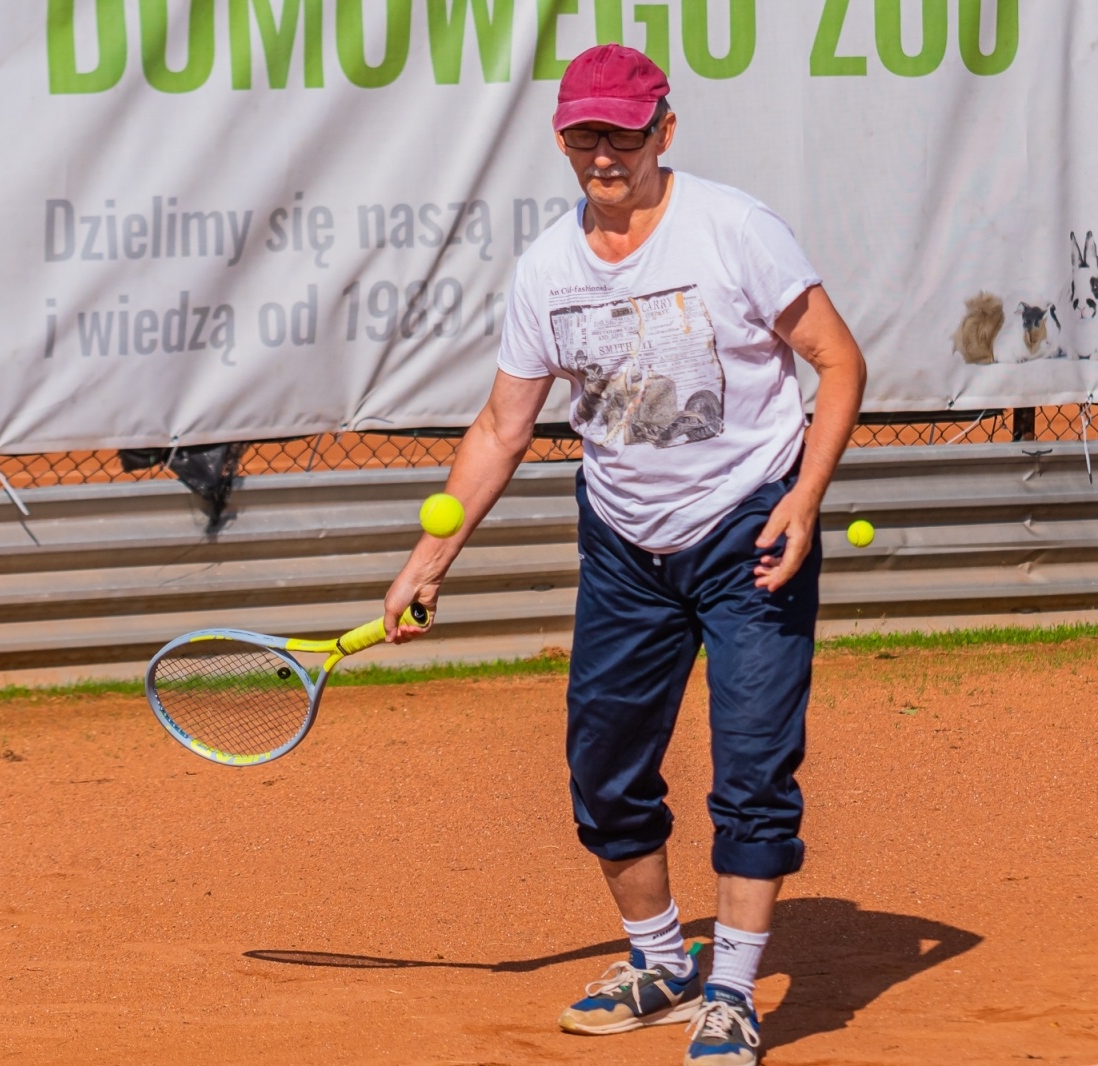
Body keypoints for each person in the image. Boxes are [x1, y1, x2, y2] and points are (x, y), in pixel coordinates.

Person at [383, 43, 866, 1066]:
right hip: (623, 545)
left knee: (750, 772)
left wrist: (807, 497)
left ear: (664, 133)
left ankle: (730, 990)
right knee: (603, 770)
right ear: (563, 140)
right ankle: (659, 959)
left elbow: (837, 357)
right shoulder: (548, 268)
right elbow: (501, 426)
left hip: (749, 529)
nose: (604, 155)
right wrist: (430, 557)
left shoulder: (732, 229)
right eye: (583, 134)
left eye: (623, 133)